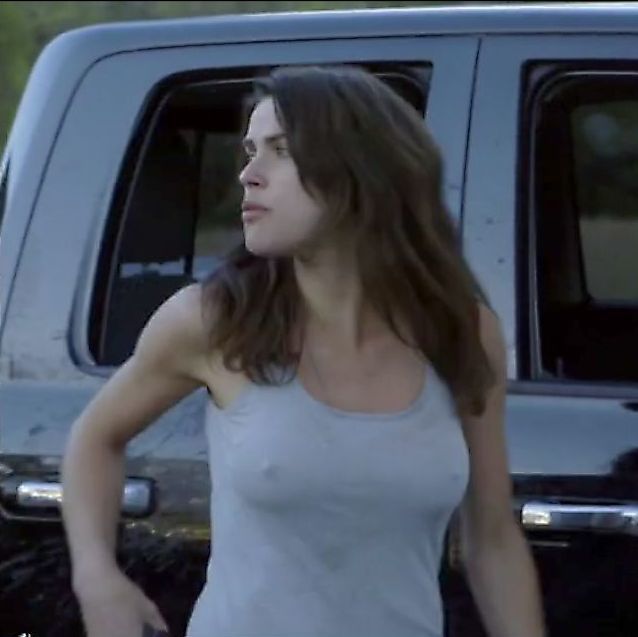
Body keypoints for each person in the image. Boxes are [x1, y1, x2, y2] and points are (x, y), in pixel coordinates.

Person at [60, 64, 545, 637]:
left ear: (362, 170)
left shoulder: (461, 331)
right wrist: (96, 575)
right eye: (249, 152)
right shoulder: (213, 320)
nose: (248, 175)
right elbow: (94, 437)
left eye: (281, 151)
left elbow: (491, 537)